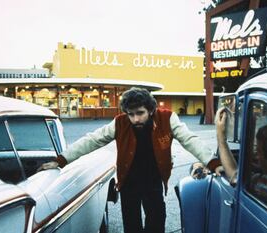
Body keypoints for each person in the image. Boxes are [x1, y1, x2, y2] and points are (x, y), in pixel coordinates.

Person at [40, 87, 220, 233]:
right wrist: (61, 160)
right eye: (131, 114)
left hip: (154, 181)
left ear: (150, 109)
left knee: (156, 223)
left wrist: (213, 163)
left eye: (140, 113)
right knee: (132, 226)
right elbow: (92, 140)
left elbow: (190, 140)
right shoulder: (120, 122)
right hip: (128, 183)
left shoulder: (167, 118)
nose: (135, 119)